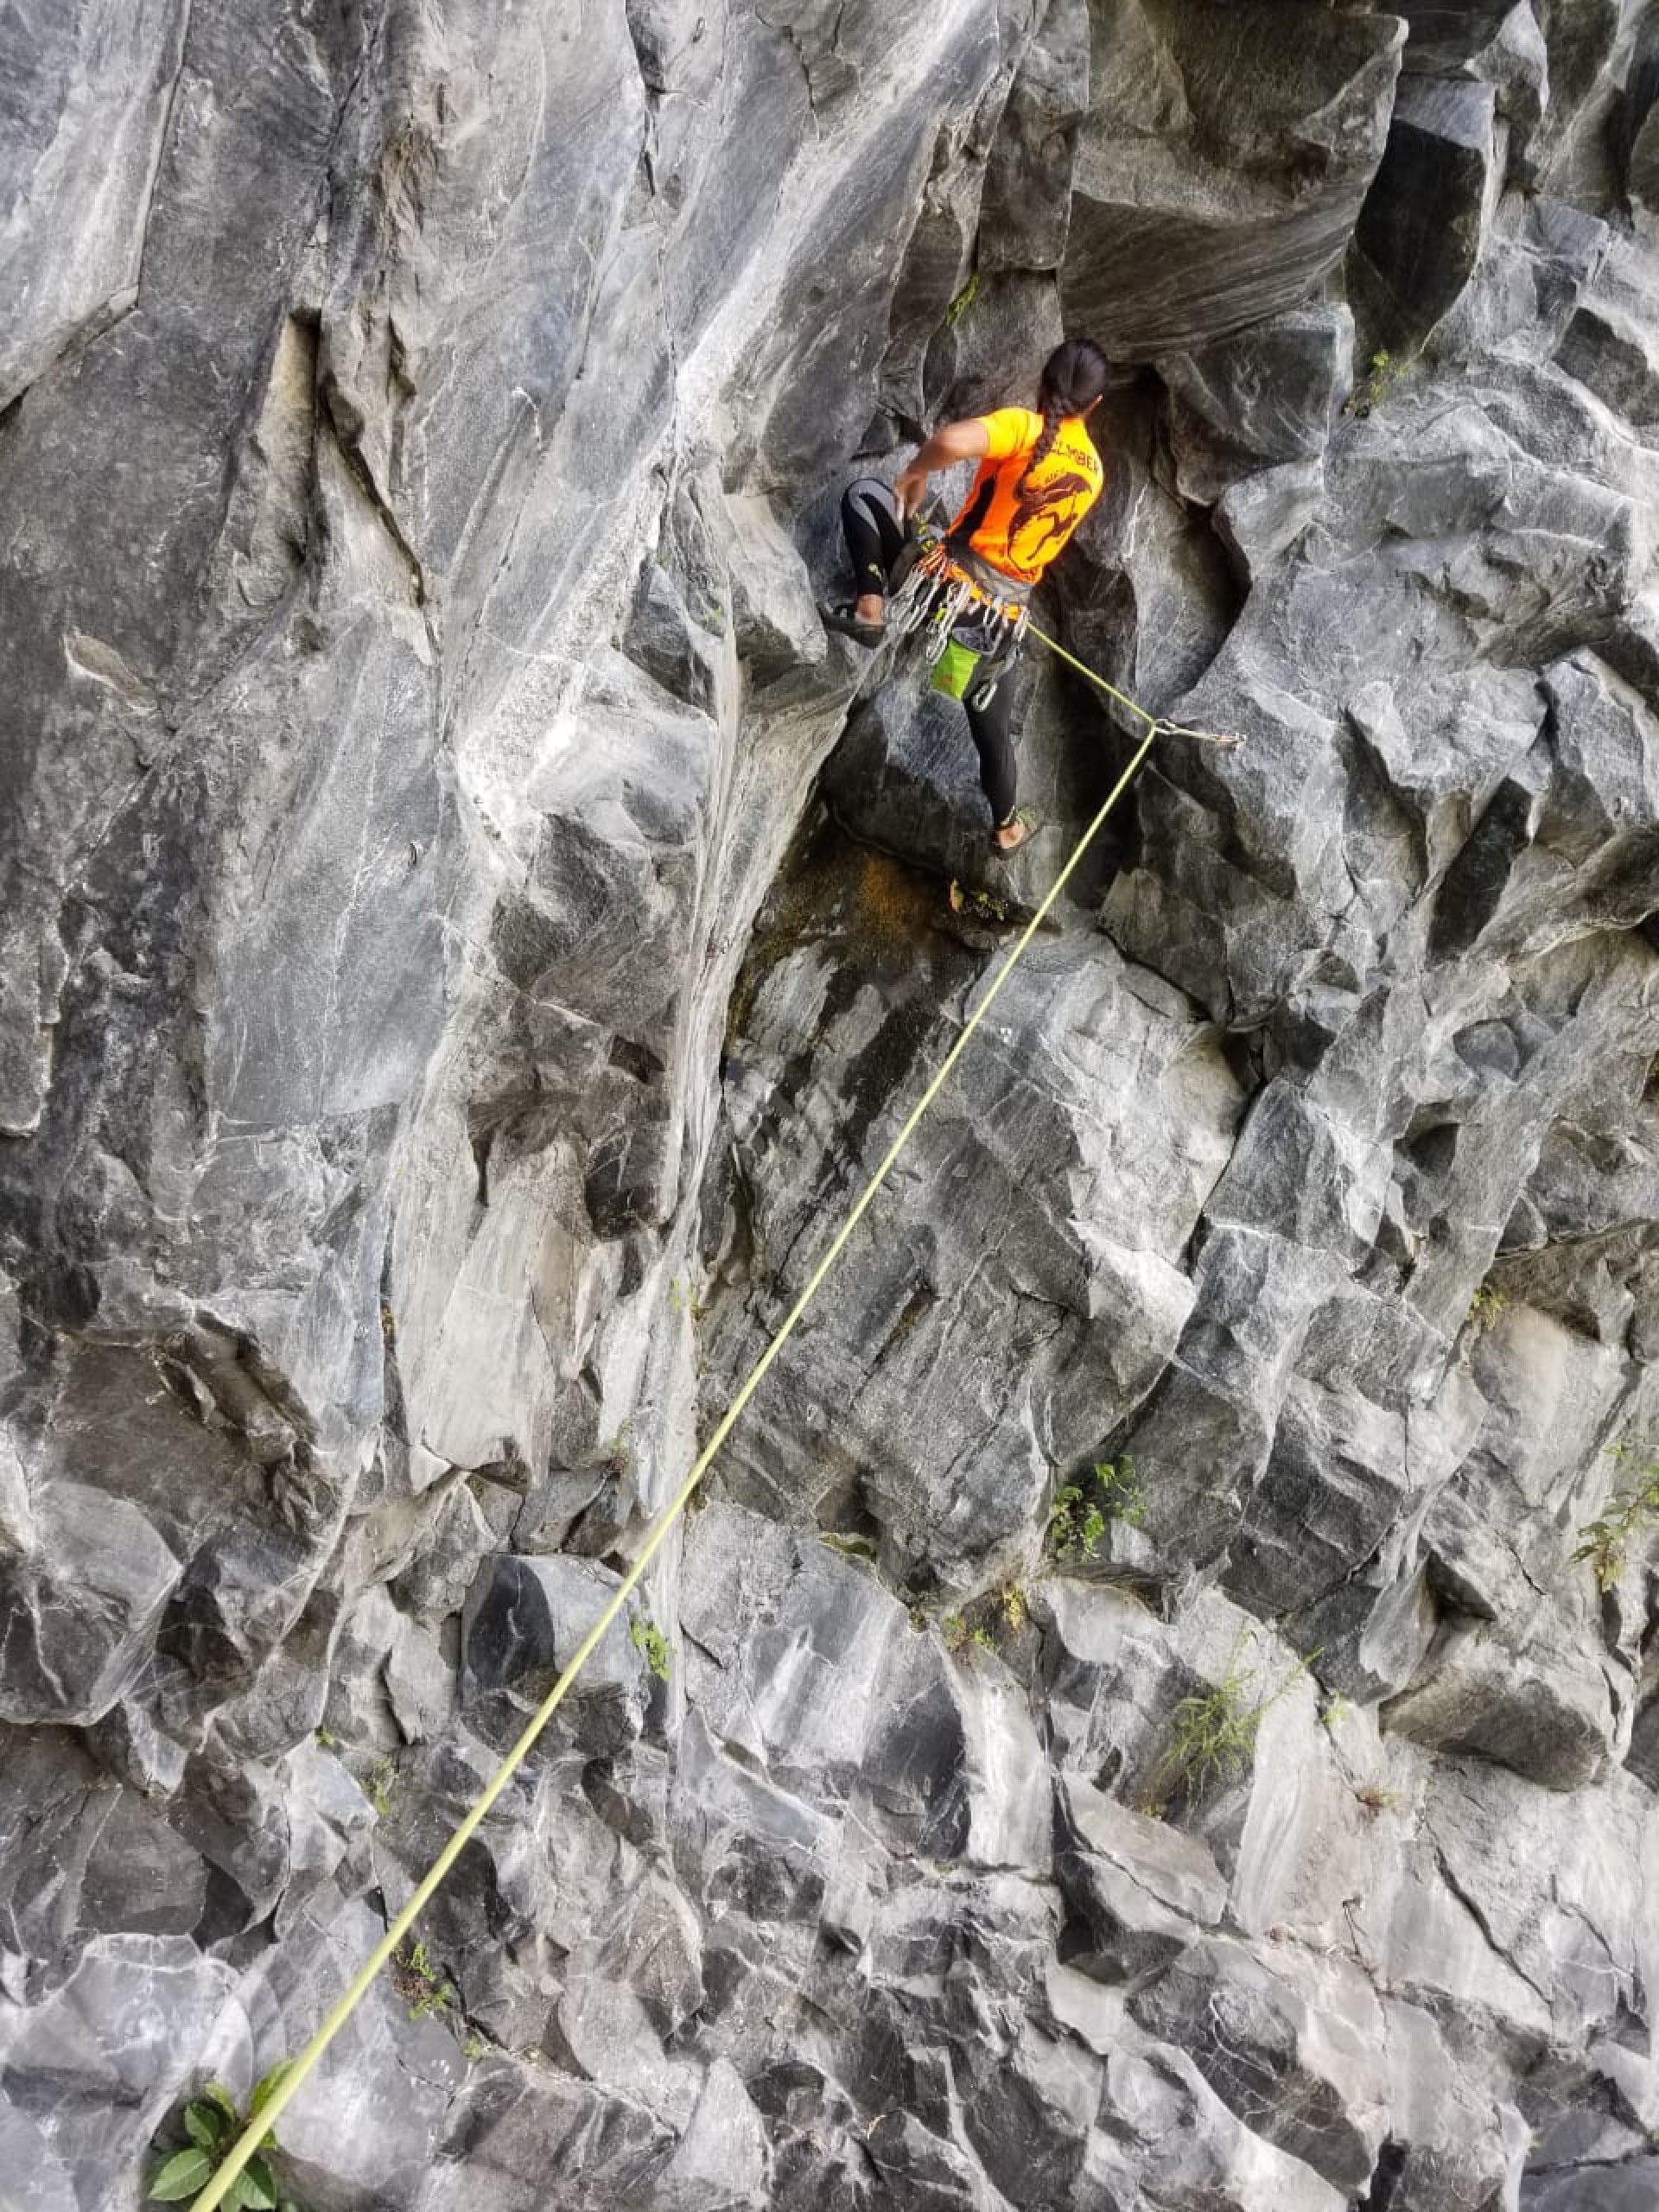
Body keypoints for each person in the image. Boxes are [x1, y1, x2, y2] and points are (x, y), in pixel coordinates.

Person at [823, 338, 1110, 855]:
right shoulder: (1092, 471)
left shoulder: (1023, 428)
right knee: (993, 732)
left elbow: (951, 441)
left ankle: (870, 608)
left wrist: (915, 471)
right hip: (998, 621)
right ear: (1095, 405)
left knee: (865, 497)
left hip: (943, 586)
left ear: (1044, 380)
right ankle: (1008, 829)